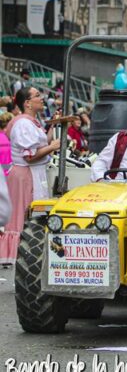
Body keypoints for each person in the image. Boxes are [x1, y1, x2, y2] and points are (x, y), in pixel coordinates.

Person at [0, 87, 60, 266]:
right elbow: (30, 155)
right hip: (25, 176)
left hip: (32, 173)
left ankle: (30, 253)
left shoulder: (31, 122)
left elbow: (42, 145)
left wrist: (53, 127)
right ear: (27, 103)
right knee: (24, 216)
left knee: (32, 214)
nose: (41, 99)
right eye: (37, 96)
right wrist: (53, 147)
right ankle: (22, 255)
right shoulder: (22, 124)